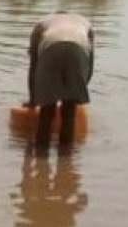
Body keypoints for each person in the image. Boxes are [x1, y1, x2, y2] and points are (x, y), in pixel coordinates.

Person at [28, 11, 94, 151]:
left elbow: (34, 66)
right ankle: (65, 158)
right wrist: (78, 92)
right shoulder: (85, 22)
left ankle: (40, 155)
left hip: (50, 46)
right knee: (69, 111)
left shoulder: (41, 23)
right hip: (78, 49)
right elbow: (90, 65)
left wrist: (33, 100)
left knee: (47, 109)